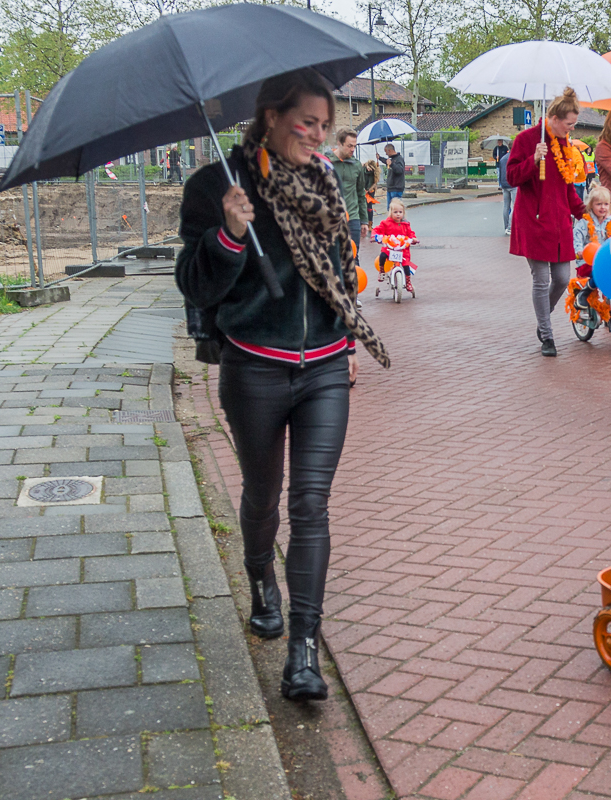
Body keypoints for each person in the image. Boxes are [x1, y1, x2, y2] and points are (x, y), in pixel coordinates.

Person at [175, 68, 389, 702]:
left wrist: (345, 340)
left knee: (311, 504)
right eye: (307, 123)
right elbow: (194, 285)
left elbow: (340, 274)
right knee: (263, 494)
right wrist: (229, 235)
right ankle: (259, 578)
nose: (318, 135)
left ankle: (303, 651)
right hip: (254, 367)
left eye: (325, 125)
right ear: (271, 117)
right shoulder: (216, 185)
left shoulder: (324, 180)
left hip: (323, 366)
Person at [507, 86, 589, 357]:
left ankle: (543, 315)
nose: (571, 129)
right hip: (534, 220)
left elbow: (567, 186)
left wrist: (584, 212)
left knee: (563, 279)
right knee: (541, 280)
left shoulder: (565, 145)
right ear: (554, 118)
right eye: (569, 124)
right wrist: (533, 159)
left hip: (559, 223)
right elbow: (511, 177)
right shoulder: (526, 139)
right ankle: (547, 334)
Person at [571, 184, 611, 306]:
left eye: (606, 204)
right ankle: (584, 293)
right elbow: (577, 238)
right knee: (600, 271)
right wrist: (579, 251)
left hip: (605, 261)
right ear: (591, 205)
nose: (603, 207)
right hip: (587, 262)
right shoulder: (584, 223)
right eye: (599, 204)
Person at [330, 129, 370, 253]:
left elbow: (361, 194)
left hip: (352, 217)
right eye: (349, 146)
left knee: (353, 256)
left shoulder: (356, 165)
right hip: (331, 217)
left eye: (354, 146)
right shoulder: (326, 163)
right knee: (333, 257)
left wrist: (364, 220)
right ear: (339, 143)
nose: (353, 149)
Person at [373, 197, 418, 294]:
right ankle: (382, 271)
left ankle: (408, 281)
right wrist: (376, 236)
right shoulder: (386, 223)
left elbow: (410, 233)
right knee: (383, 255)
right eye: (395, 212)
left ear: (403, 213)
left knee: (406, 265)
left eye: (400, 212)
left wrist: (413, 239)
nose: (398, 214)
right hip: (389, 248)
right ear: (390, 213)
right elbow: (378, 230)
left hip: (402, 249)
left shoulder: (405, 224)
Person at [498, 148, 515, 235]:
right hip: (513, 184)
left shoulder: (503, 158)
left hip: (504, 185)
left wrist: (501, 183)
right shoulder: (514, 158)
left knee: (506, 206)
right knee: (515, 206)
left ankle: (506, 226)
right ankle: (510, 227)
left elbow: (500, 172)